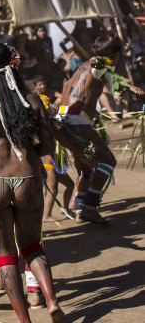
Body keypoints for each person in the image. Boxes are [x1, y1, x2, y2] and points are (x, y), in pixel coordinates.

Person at [0, 43, 66, 322]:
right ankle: (52, 300)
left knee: (6, 255)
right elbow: (47, 144)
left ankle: (24, 320)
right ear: (15, 65)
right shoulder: (32, 100)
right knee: (32, 245)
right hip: (29, 177)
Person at [57, 36, 144, 224]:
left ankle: (80, 207)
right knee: (108, 161)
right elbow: (115, 84)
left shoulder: (83, 67)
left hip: (63, 120)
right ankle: (89, 206)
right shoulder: (99, 65)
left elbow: (67, 87)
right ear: (114, 56)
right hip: (76, 120)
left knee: (87, 165)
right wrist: (131, 88)